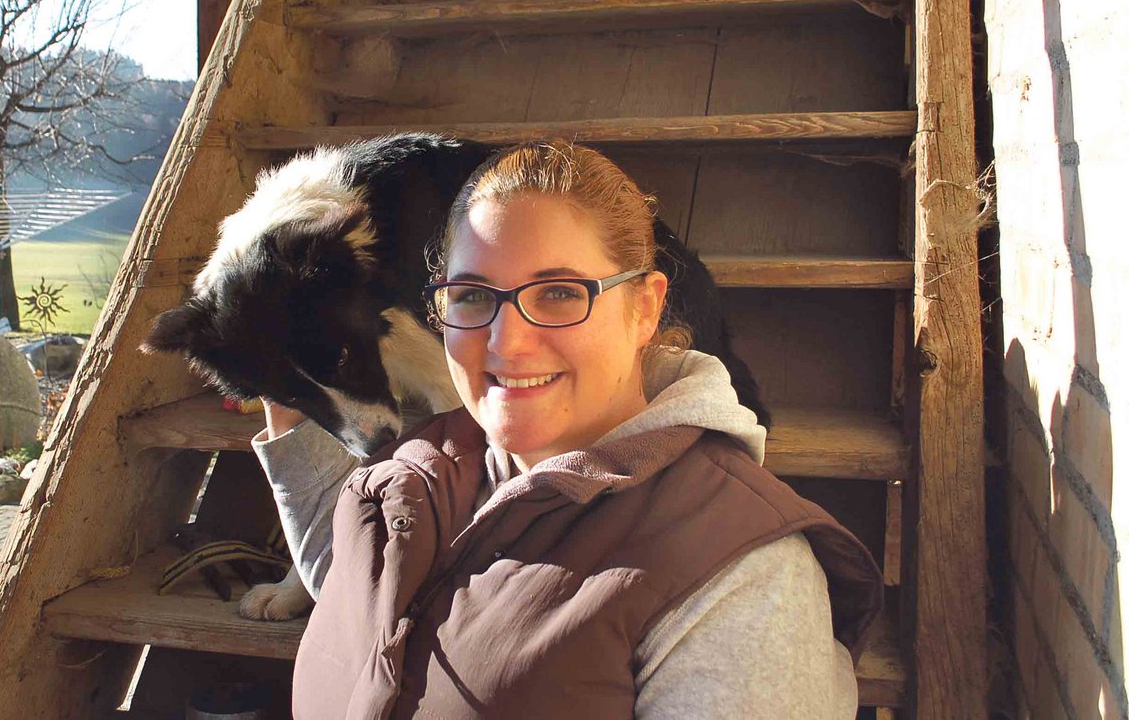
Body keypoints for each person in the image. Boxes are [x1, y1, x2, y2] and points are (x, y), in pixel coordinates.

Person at [253, 140, 882, 718]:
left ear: (645, 308)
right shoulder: (419, 466)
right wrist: (287, 403)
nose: (506, 342)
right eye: (472, 295)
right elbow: (355, 589)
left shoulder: (743, 574)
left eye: (558, 293)